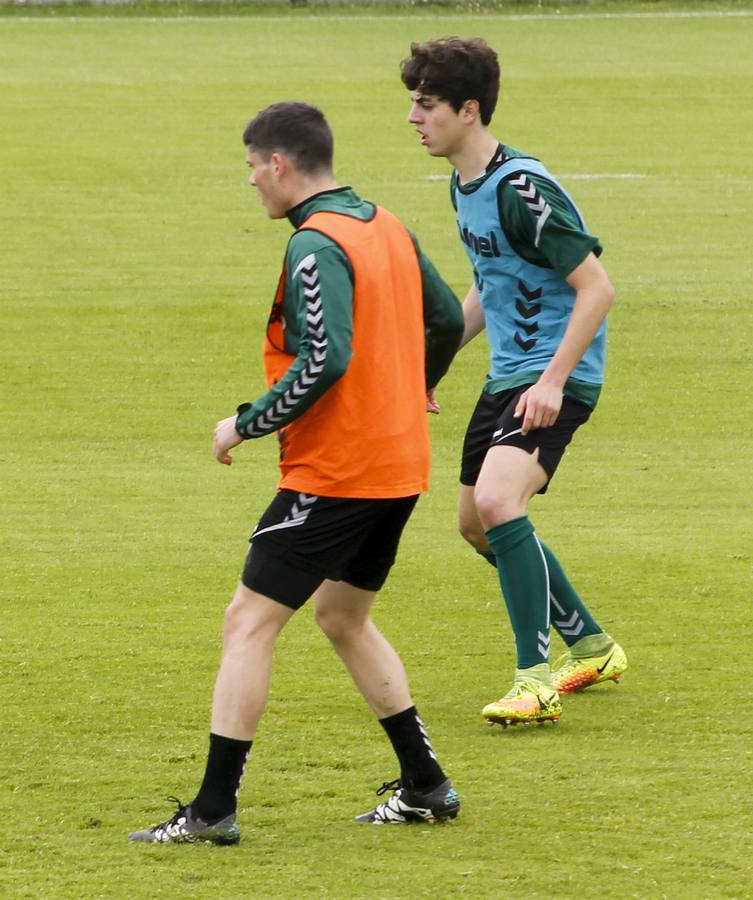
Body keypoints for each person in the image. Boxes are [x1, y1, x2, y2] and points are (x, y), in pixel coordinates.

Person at [131, 102, 465, 845]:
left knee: (247, 623)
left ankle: (212, 810)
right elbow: (443, 319)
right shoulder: (385, 224)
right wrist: (414, 388)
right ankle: (425, 784)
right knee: (343, 617)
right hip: (400, 464)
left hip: (336, 473)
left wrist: (244, 423)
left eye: (252, 168)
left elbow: (323, 357)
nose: (251, 182)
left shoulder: (314, 245)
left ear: (279, 163)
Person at [403, 37, 628, 726]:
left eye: (427, 105)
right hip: (510, 376)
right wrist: (429, 366)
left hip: (554, 376)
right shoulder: (462, 183)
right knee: (475, 524)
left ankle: (533, 679)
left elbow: (595, 288)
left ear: (468, 110)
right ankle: (590, 643)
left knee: (501, 503)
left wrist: (555, 381)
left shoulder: (520, 189)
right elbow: (488, 286)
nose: (414, 117)